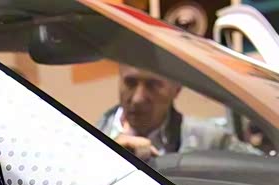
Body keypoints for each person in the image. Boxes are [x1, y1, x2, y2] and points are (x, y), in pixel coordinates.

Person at [97, 64, 258, 160]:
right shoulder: (91, 142)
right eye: (130, 83)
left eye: (153, 85)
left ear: (177, 89)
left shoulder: (210, 142)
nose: (138, 98)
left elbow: (262, 170)